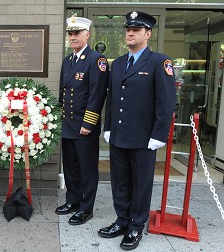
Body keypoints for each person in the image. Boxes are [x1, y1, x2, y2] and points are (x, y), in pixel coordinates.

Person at [98, 11, 176, 250]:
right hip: (119, 135)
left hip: (144, 138)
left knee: (141, 184)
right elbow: (112, 99)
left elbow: (166, 102)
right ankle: (122, 220)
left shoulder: (159, 62)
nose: (130, 33)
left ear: (147, 34)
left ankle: (136, 226)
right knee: (119, 181)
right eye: (128, 29)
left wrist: (159, 135)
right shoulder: (119, 63)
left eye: (136, 30)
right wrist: (108, 126)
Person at [55, 15, 109, 225]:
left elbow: (97, 95)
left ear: (87, 34)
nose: (73, 37)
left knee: (87, 170)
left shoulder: (97, 60)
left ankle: (86, 208)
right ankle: (73, 200)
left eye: (77, 33)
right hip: (68, 125)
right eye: (70, 33)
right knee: (71, 167)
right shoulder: (68, 61)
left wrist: (88, 123)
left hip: (84, 127)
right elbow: (63, 93)